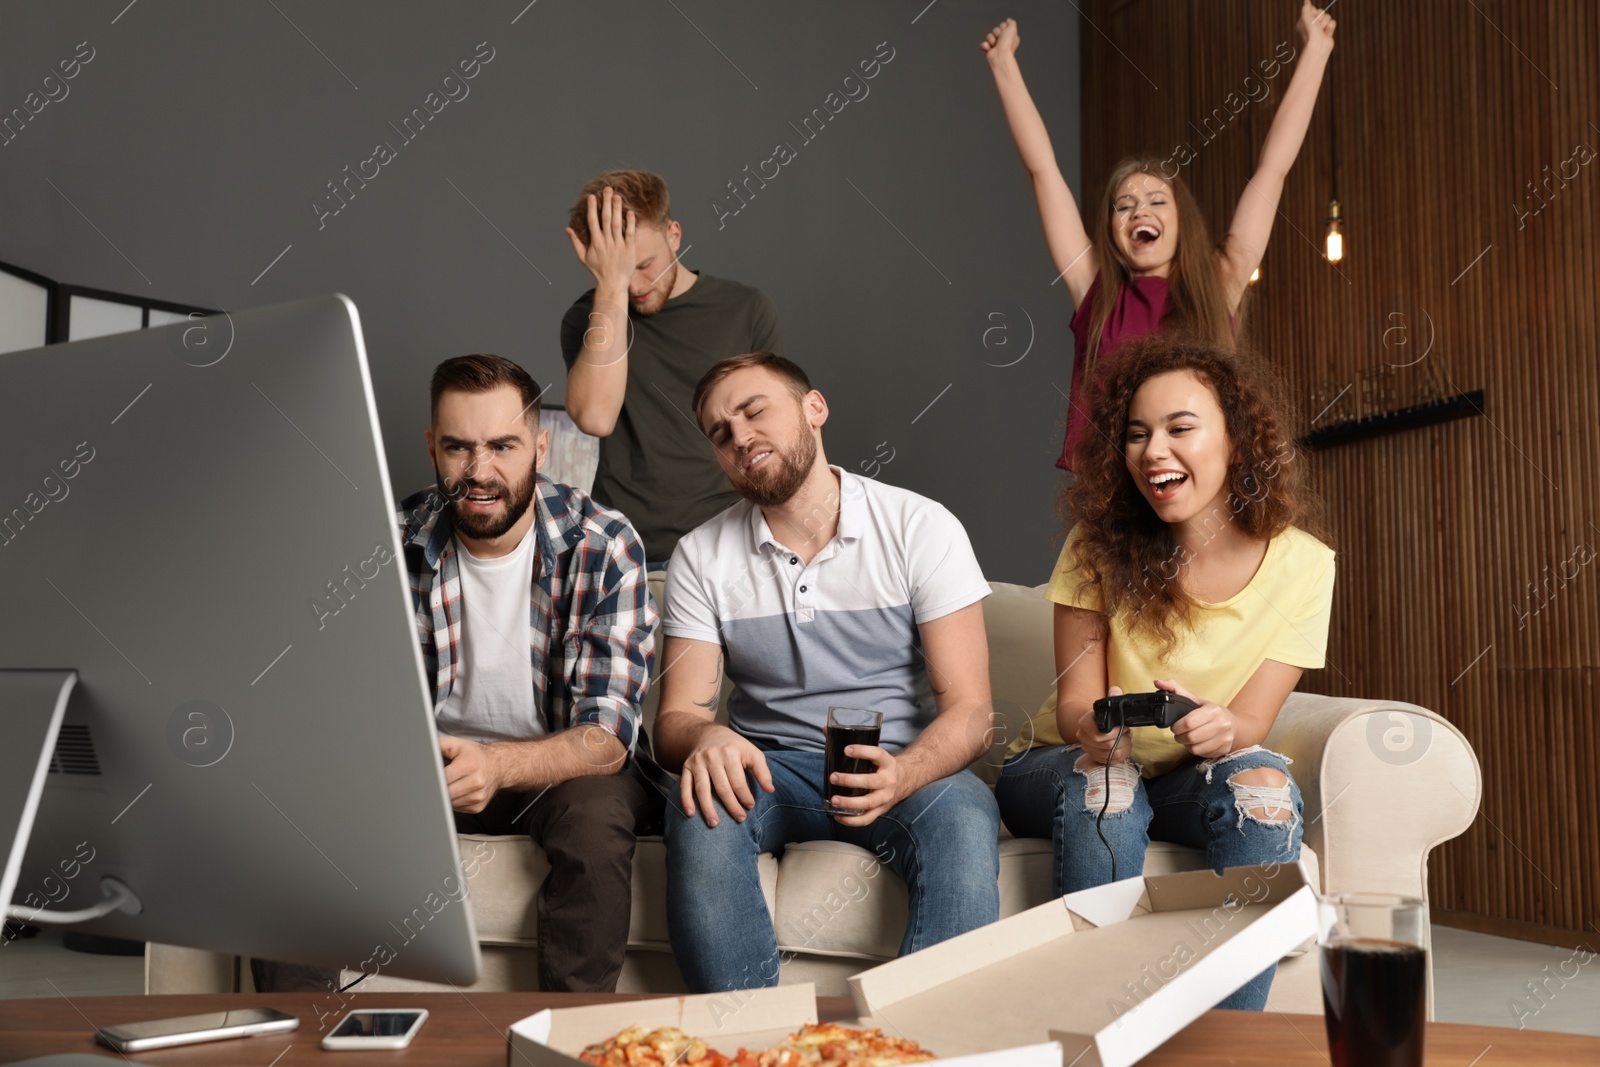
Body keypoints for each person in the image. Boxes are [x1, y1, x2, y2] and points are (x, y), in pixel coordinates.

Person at [994, 332, 1336, 1012]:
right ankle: (1102, 1034)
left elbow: (1253, 723)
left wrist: (1217, 726)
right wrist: (1099, 731)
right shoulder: (1095, 547)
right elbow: (1075, 709)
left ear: (1236, 440)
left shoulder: (1306, 564)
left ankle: (1224, 1049)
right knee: (1110, 786)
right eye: (1137, 434)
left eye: (1180, 428)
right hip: (1063, 760)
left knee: (1264, 789)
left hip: (1183, 777)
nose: (1153, 451)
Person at [654, 352, 1000, 992]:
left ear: (815, 409)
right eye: (720, 433)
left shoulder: (921, 527)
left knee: (965, 814)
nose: (740, 437)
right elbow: (676, 719)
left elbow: (973, 713)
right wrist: (705, 737)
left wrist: (906, 775)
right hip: (771, 767)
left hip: (902, 762)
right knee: (697, 808)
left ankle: (922, 1050)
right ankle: (753, 1048)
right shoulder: (701, 556)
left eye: (754, 411)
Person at [980, 2, 1337, 471]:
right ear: (1111, 232)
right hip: (1116, 505)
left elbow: (1273, 170)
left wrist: (1316, 50)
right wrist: (1003, 64)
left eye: (1155, 201)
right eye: (1123, 206)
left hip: (1203, 493)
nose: (1138, 211)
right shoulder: (1095, 290)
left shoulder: (1221, 279)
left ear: (1181, 221)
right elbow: (1042, 171)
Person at [399, 353, 659, 993]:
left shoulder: (603, 543)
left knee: (597, 816)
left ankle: (563, 1048)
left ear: (540, 447)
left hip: (562, 770)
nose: (479, 472)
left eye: (503, 446)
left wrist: (496, 766)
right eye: (458, 448)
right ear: (433, 447)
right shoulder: (392, 537)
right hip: (426, 771)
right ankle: (290, 1043)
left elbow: (605, 738)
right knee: (307, 815)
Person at [561, 169, 785, 566]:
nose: (635, 286)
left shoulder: (745, 309)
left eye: (645, 264)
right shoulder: (588, 319)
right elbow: (596, 417)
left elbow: (783, 431)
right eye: (617, 270)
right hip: (628, 554)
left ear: (674, 235)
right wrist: (609, 289)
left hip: (734, 548)